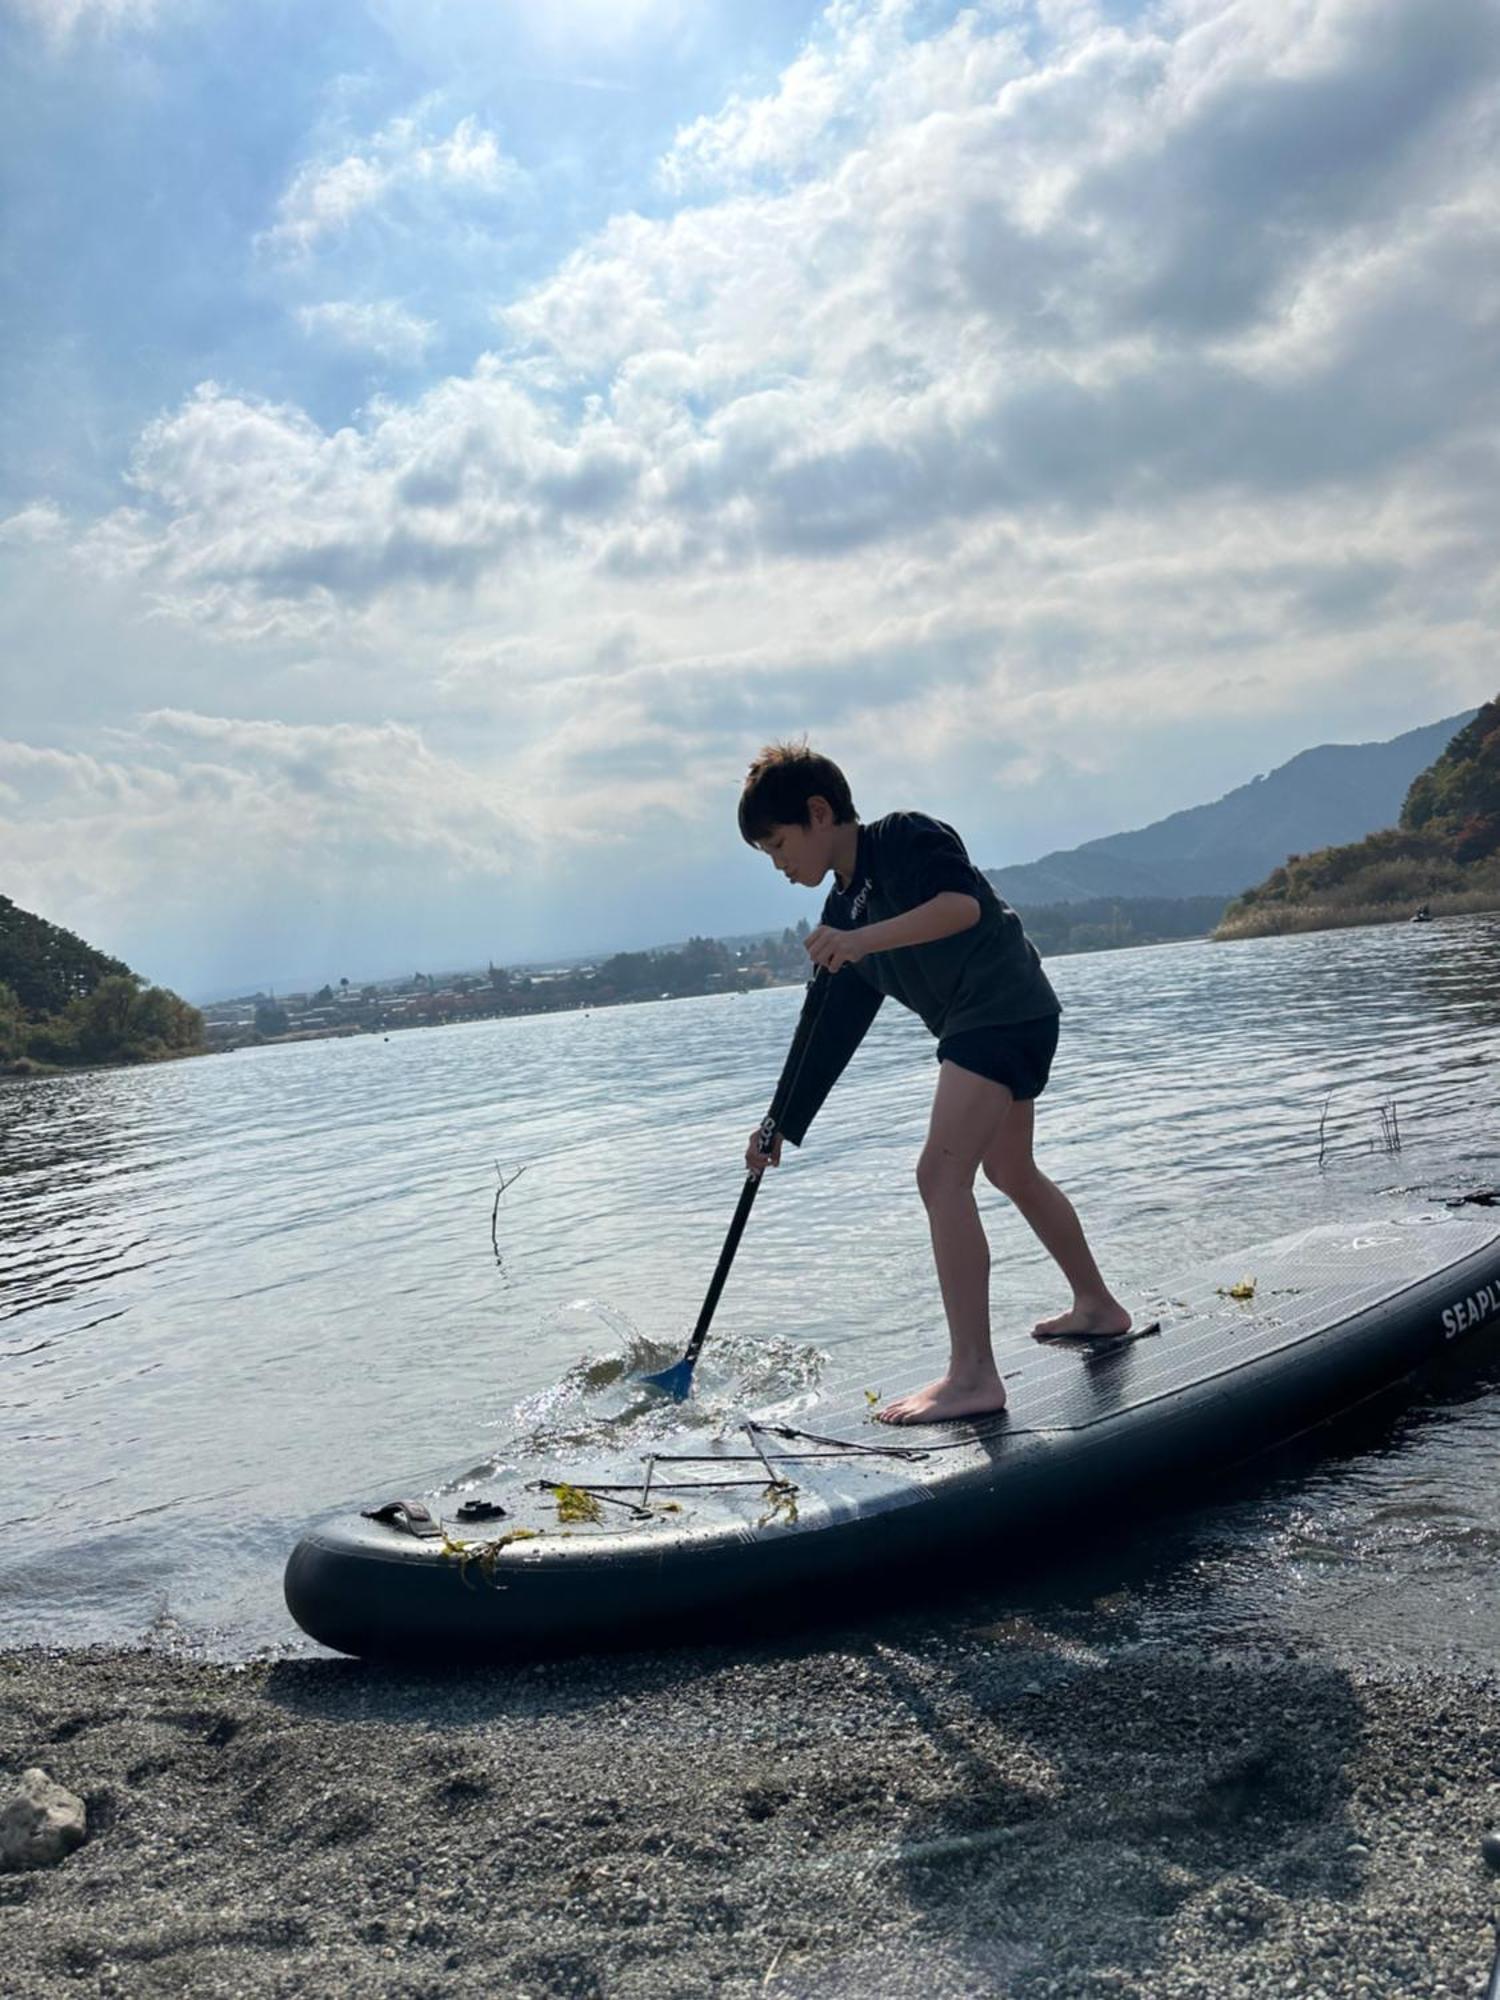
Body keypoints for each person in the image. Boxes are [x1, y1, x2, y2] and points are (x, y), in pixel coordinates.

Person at [738, 741, 1129, 1426]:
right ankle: (1097, 1306)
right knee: (1010, 1168)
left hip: (1002, 1010)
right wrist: (779, 1123)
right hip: (1004, 1020)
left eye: (777, 845)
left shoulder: (907, 837)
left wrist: (861, 943)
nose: (778, 865)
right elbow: (824, 1033)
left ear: (820, 812)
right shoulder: (843, 917)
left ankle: (974, 1375)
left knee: (939, 1177)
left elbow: (960, 908)